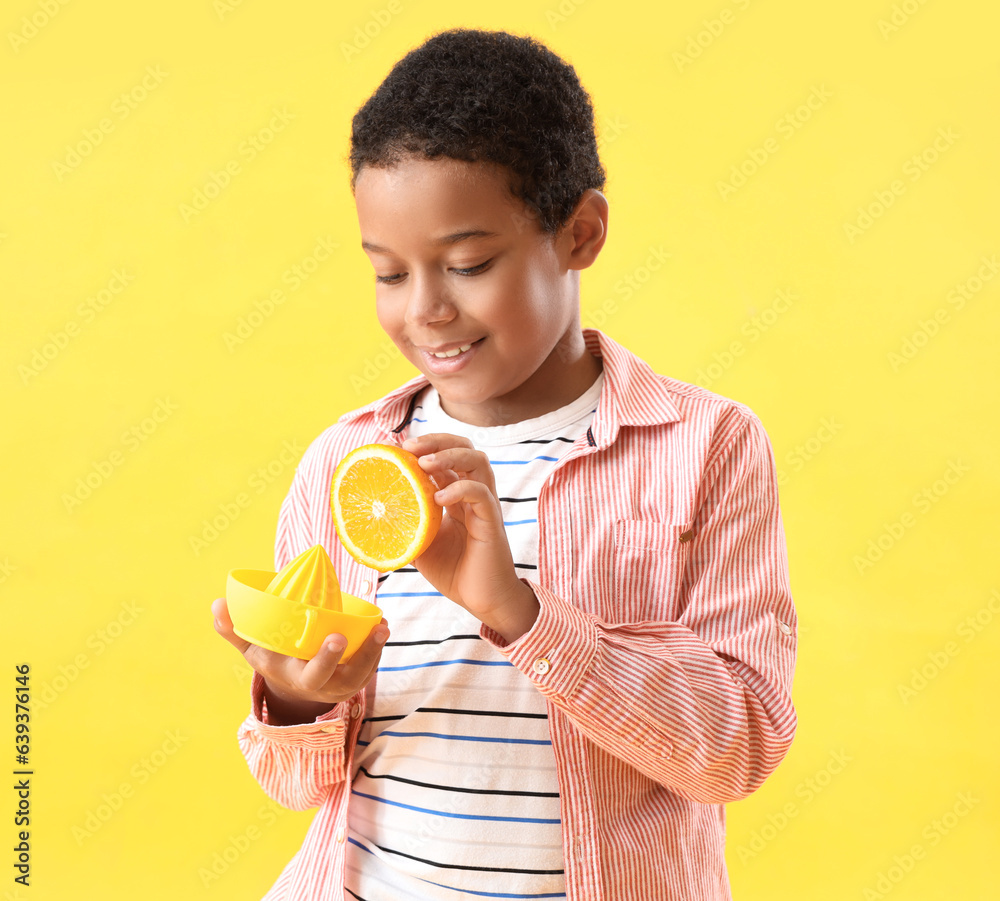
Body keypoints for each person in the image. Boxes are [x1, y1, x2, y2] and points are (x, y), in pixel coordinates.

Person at [212, 27, 797, 901]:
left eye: (469, 264)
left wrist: (521, 614)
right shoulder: (350, 466)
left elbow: (739, 745)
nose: (427, 310)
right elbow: (297, 783)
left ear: (581, 233)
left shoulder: (704, 447)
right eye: (389, 273)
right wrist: (298, 701)